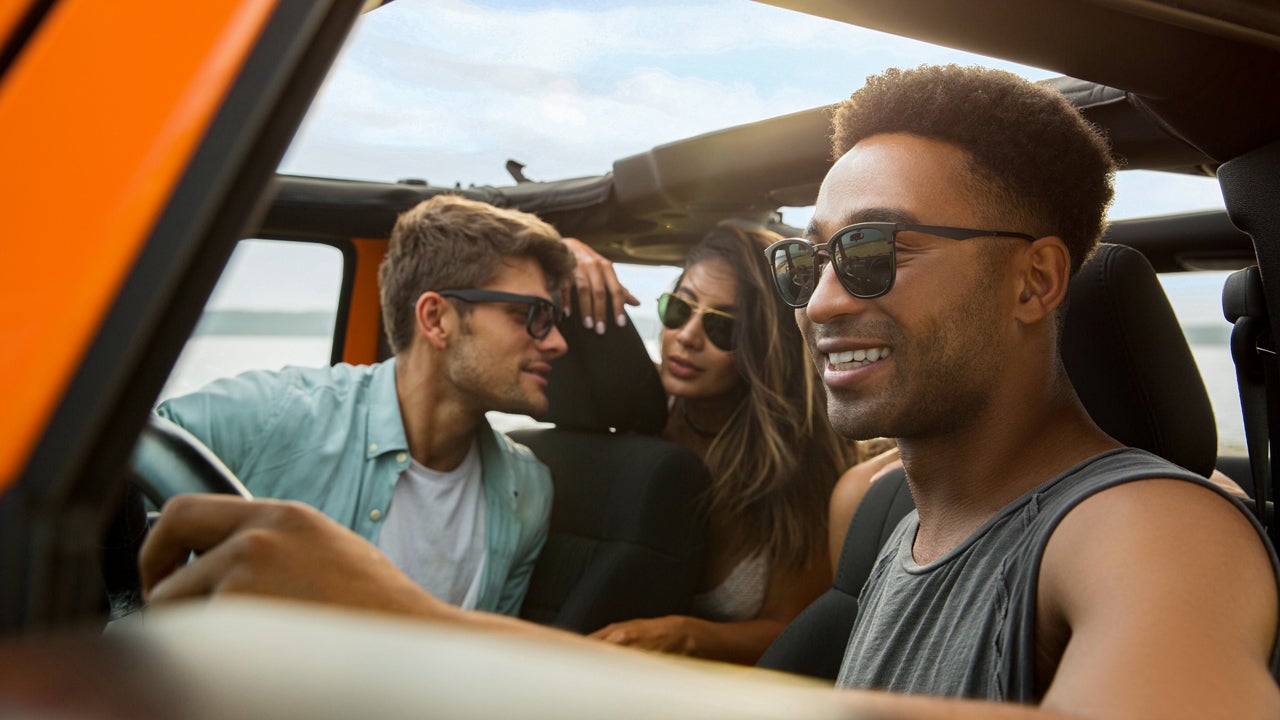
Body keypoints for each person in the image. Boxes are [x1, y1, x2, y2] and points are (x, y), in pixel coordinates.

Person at [139, 65, 1280, 718]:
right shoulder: (874, 510)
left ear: (1035, 279)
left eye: (874, 251)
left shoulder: (1149, 527)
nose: (821, 303)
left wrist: (430, 641)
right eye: (808, 261)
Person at [153, 193, 575, 617]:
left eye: (552, 318)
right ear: (436, 319)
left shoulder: (528, 491)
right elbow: (113, 460)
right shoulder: (277, 415)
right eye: (531, 314)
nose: (557, 343)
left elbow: (487, 664)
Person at [582, 221, 852, 664]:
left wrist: (685, 635)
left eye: (722, 328)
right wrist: (570, 254)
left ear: (766, 345)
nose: (686, 336)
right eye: (677, 310)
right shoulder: (636, 406)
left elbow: (791, 633)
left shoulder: (800, 469)